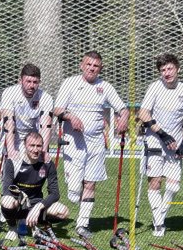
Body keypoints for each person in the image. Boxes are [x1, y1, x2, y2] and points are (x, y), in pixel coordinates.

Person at [54, 51, 129, 238]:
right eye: (88, 64)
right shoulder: (70, 83)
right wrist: (71, 117)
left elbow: (122, 108)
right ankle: (68, 212)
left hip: (96, 143)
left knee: (90, 183)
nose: (92, 68)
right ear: (82, 65)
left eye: (95, 66)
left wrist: (124, 119)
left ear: (100, 68)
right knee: (73, 190)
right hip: (74, 142)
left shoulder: (105, 87)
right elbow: (57, 109)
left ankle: (82, 224)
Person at [137, 53, 183, 237]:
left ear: (177, 69)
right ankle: (159, 224)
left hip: (176, 143)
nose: (166, 73)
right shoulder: (154, 88)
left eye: (169, 68)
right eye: (162, 70)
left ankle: (159, 216)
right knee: (155, 182)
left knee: (173, 187)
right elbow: (143, 113)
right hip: (156, 139)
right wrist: (162, 135)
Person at [0, 132, 69, 244]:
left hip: (36, 203)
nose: (36, 150)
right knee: (7, 201)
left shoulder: (47, 163)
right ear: (25, 146)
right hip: (18, 202)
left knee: (63, 211)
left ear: (43, 146)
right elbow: (6, 190)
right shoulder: (13, 161)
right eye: (32, 146)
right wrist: (20, 200)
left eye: (39, 146)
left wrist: (39, 207)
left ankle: (38, 224)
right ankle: (13, 227)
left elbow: (55, 193)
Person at [1, 63, 54, 157]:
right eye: (28, 81)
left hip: (33, 136)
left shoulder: (46, 97)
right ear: (20, 81)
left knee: (35, 167)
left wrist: (44, 151)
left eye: (35, 82)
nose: (31, 85)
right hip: (14, 135)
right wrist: (11, 150)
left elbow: (46, 125)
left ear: (39, 82)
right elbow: (9, 121)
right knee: (13, 166)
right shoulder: (9, 93)